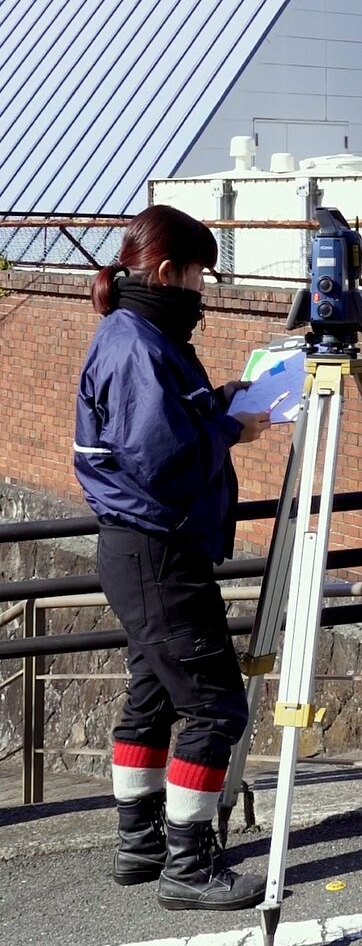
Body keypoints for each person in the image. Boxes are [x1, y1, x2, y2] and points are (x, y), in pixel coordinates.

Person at [74, 205, 271, 909]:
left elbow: (161, 426)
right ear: (165, 272)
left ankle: (140, 845)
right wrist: (230, 429)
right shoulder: (138, 344)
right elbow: (161, 460)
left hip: (142, 549)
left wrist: (220, 403)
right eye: (197, 276)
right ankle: (189, 866)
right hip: (157, 549)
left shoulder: (138, 333)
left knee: (153, 695)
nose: (202, 292)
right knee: (216, 706)